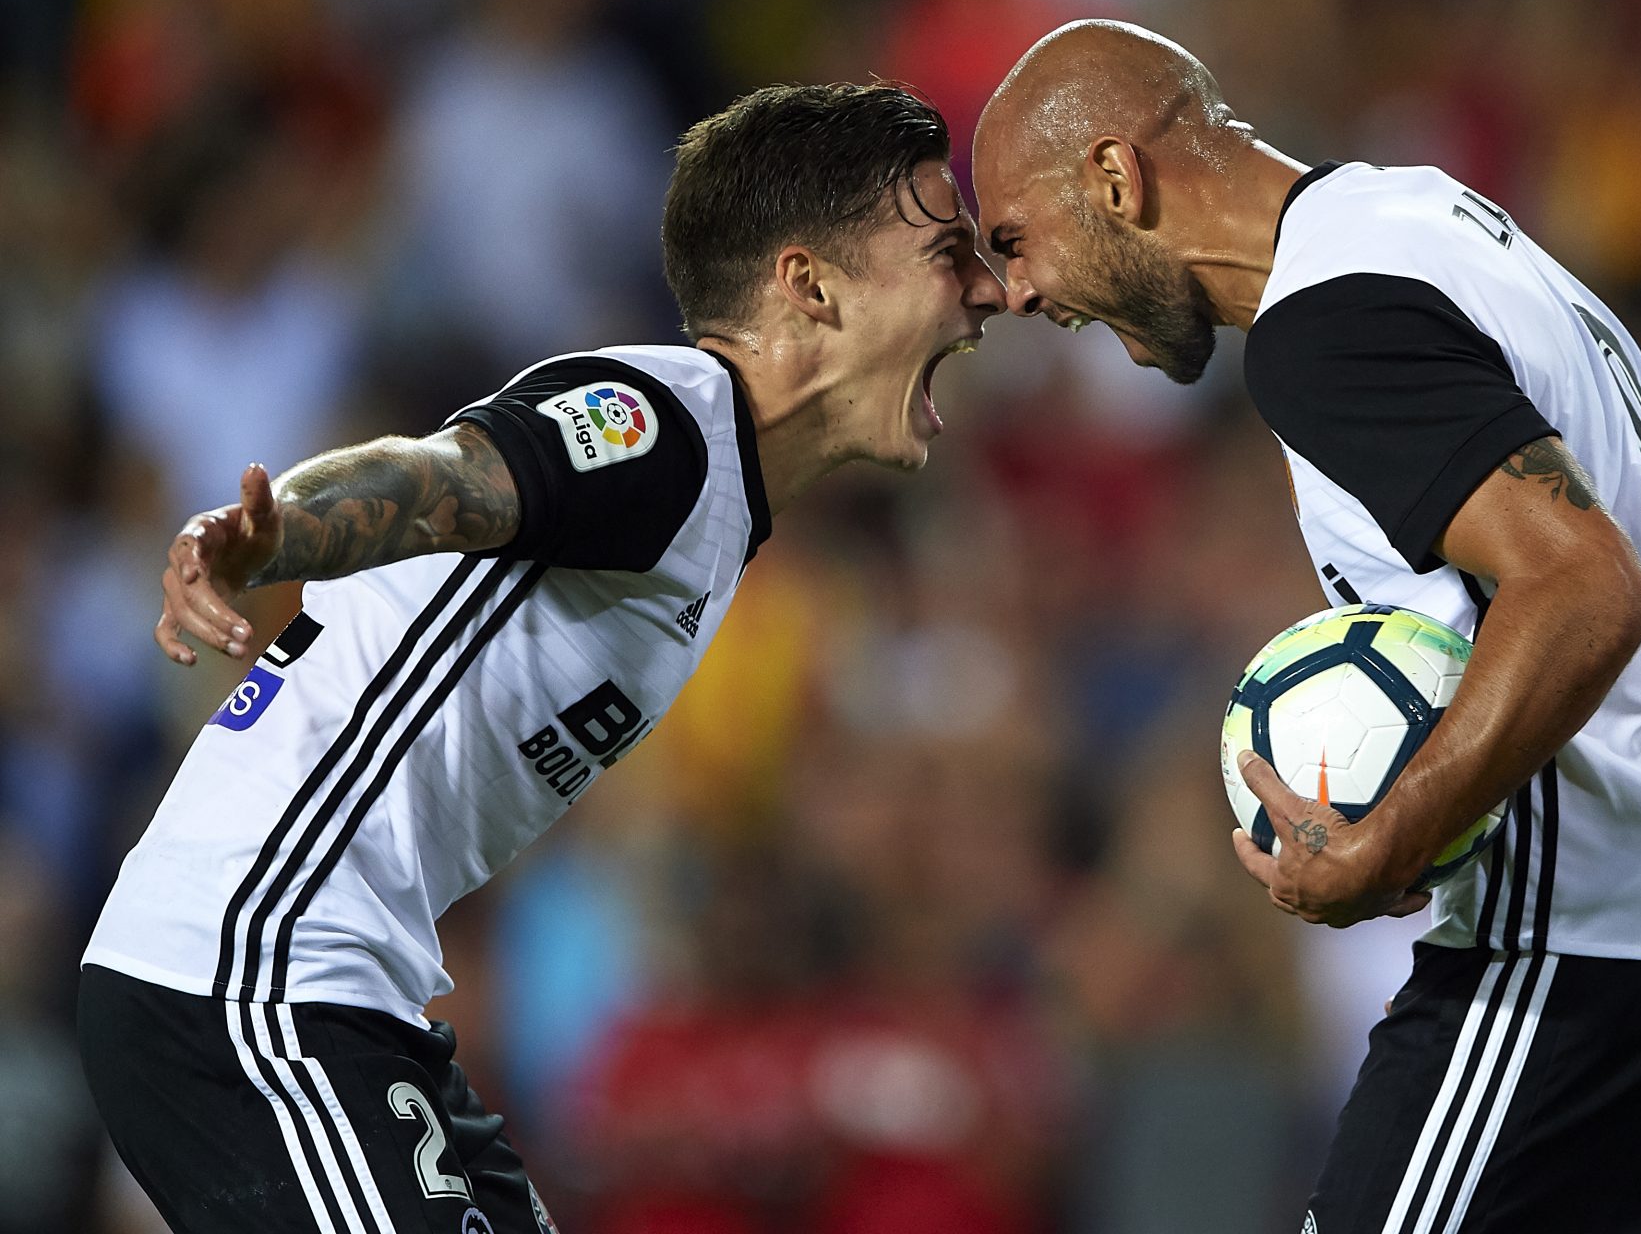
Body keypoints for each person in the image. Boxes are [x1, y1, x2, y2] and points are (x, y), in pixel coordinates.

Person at [973, 20, 1641, 1234]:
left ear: (1115, 181)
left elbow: (1588, 586)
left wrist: (1395, 833)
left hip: (1586, 954)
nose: (1015, 293)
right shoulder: (1430, 222)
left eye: (1015, 239)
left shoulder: (1323, 328)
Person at [77, 81, 1005, 1234]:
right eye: (946, 248)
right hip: (252, 973)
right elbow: (443, 478)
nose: (987, 292)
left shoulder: (717, 498)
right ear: (809, 283)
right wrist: (278, 534)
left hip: (339, 992)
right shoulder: (663, 425)